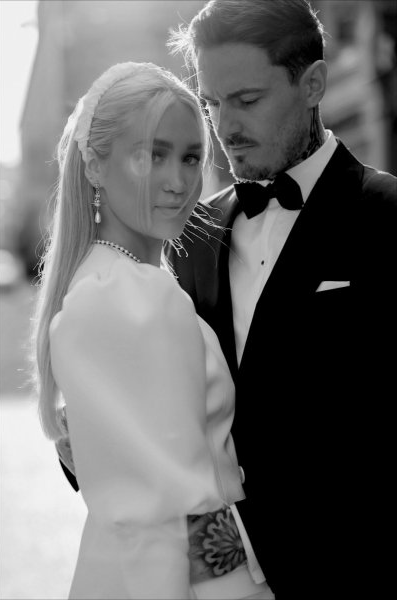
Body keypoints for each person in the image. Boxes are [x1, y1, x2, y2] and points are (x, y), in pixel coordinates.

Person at [168, 1, 397, 598]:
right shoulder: (189, 239)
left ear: (312, 84)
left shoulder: (389, 217)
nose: (226, 127)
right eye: (212, 104)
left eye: (247, 100)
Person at [32, 61, 275, 599]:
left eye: (191, 157)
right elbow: (177, 513)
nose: (179, 181)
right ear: (95, 165)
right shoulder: (134, 297)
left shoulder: (100, 284)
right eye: (152, 155)